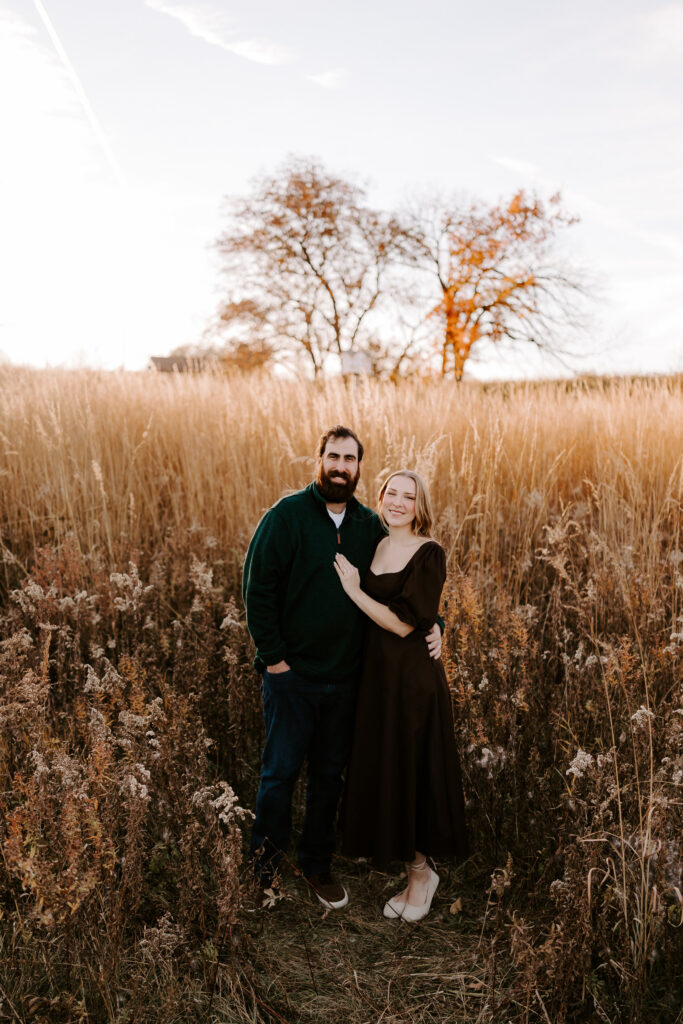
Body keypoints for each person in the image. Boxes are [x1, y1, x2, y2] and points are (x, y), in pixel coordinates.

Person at [242, 427, 443, 911]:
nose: (340, 466)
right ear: (319, 459)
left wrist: (436, 622)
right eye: (333, 456)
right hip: (293, 676)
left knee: (329, 777)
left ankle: (316, 865)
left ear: (358, 468)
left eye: (350, 459)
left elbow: (404, 586)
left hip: (348, 680)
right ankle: (260, 873)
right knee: (278, 776)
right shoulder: (286, 516)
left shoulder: (369, 526)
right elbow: (257, 592)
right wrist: (276, 663)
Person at [335, 469, 467, 922]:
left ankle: (420, 875)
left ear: (419, 506)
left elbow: (404, 622)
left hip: (412, 683)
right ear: (381, 497)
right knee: (387, 767)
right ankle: (414, 871)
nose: (397, 502)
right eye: (391, 493)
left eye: (408, 496)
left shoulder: (430, 552)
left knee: (411, 773)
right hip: (378, 680)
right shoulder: (379, 544)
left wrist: (353, 591)